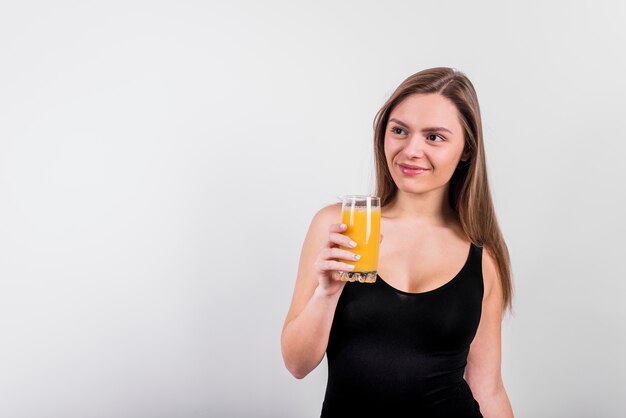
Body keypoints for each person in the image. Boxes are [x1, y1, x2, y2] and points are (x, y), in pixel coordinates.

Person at [281, 67, 514, 417]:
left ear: (466, 150)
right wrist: (326, 294)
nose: (411, 150)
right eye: (400, 131)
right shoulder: (339, 227)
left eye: (434, 137)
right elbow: (297, 364)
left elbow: (489, 389)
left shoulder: (482, 258)